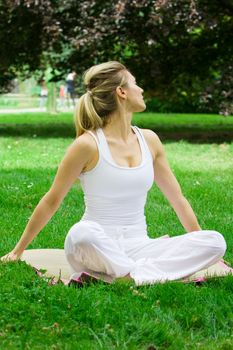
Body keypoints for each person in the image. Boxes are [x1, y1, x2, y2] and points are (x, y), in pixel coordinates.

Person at [1, 61, 227, 286]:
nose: (141, 90)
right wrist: (18, 250)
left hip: (140, 247)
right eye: (135, 84)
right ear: (121, 92)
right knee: (81, 233)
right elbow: (52, 200)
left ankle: (130, 276)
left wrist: (199, 243)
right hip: (95, 248)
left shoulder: (149, 140)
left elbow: (178, 199)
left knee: (215, 241)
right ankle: (141, 274)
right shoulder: (88, 145)